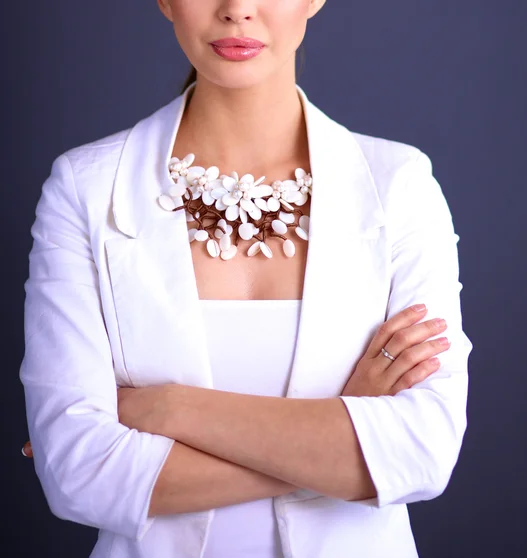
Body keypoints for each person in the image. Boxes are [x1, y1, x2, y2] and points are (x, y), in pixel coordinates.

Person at [19, 0, 473, 556]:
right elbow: (77, 475)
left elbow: (421, 453)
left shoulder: (399, 186)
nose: (237, 11)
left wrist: (167, 408)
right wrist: (338, 445)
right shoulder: (84, 189)